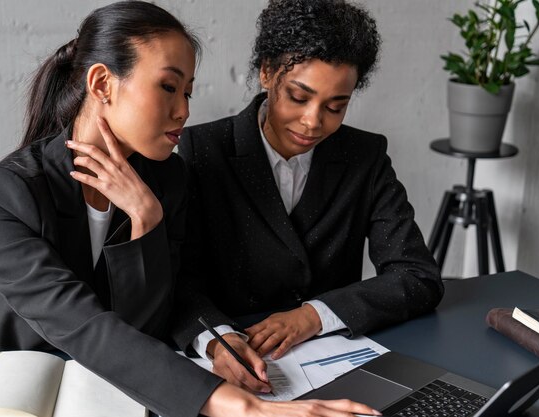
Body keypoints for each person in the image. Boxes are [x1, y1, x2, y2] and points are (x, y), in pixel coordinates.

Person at [0, 1, 381, 416]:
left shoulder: (165, 182)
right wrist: (243, 409)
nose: (183, 110)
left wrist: (146, 221)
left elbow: (143, 325)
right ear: (102, 83)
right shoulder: (4, 194)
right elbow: (83, 324)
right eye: (167, 87)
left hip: (96, 391)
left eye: (188, 93)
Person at [172, 0, 444, 394]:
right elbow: (180, 282)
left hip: (335, 361)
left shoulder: (364, 156)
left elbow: (417, 276)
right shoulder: (203, 149)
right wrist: (217, 340)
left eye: (336, 106)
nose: (314, 122)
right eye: (299, 98)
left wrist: (314, 316)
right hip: (239, 368)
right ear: (266, 72)